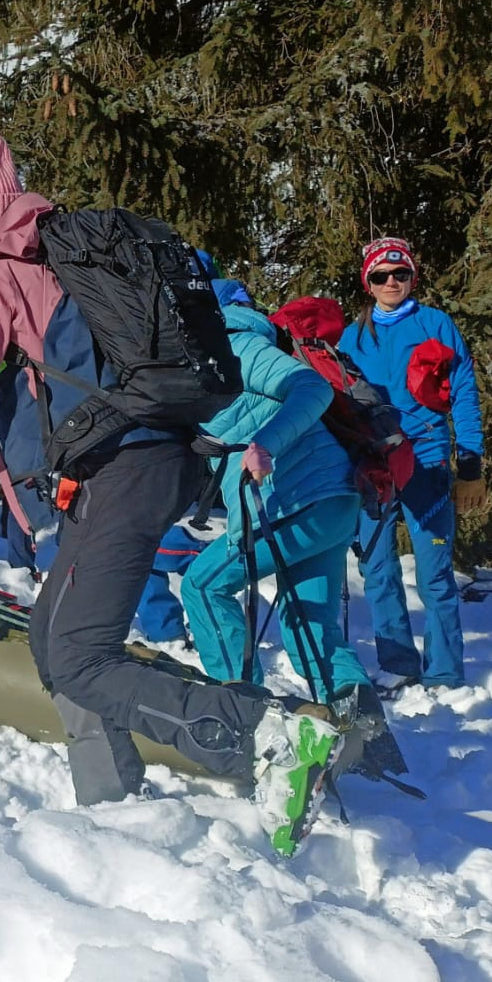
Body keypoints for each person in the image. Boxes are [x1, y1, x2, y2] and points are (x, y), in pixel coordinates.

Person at [0, 134, 345, 848]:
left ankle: (269, 734)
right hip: (150, 462)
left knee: (81, 654)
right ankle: (113, 806)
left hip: (129, 473)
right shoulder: (65, 262)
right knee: (52, 639)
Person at [180, 280, 376, 714]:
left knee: (204, 586)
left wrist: (266, 443)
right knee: (310, 624)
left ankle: (241, 714)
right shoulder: (210, 356)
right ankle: (365, 734)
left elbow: (313, 389)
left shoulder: (236, 343)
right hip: (332, 500)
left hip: (295, 501)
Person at [338, 238, 485, 690]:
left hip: (426, 461)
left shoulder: (435, 323)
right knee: (377, 569)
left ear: (411, 277)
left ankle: (444, 672)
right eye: (380, 276)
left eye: (399, 274)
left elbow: (463, 390)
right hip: (374, 466)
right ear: (368, 282)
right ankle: (398, 664)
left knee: (434, 573)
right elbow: (336, 402)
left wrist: (471, 459)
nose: (391, 283)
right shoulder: (353, 336)